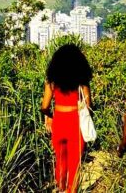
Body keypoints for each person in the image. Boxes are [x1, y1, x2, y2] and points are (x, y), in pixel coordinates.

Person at [41, 44, 93, 193]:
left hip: (59, 121)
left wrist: (50, 117)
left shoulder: (51, 81)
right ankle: (72, 190)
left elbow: (44, 106)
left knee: (60, 159)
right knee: (75, 162)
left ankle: (60, 188)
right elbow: (89, 104)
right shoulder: (81, 81)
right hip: (75, 122)